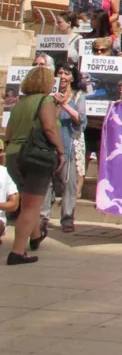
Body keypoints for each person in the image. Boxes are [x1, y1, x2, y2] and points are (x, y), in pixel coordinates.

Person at [3, 66, 65, 265]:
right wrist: (60, 150)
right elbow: (49, 126)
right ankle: (18, 251)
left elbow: (9, 133)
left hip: (14, 154)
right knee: (31, 205)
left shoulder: (19, 104)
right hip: (36, 155)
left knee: (28, 201)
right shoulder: (45, 100)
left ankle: (36, 234)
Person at [40, 64, 86, 234]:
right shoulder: (46, 95)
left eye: (67, 74)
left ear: (72, 78)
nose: (63, 76)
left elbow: (81, 120)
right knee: (46, 185)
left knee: (69, 185)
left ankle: (67, 219)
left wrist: (64, 104)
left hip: (67, 144)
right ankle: (42, 218)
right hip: (48, 145)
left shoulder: (78, 96)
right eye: (60, 73)